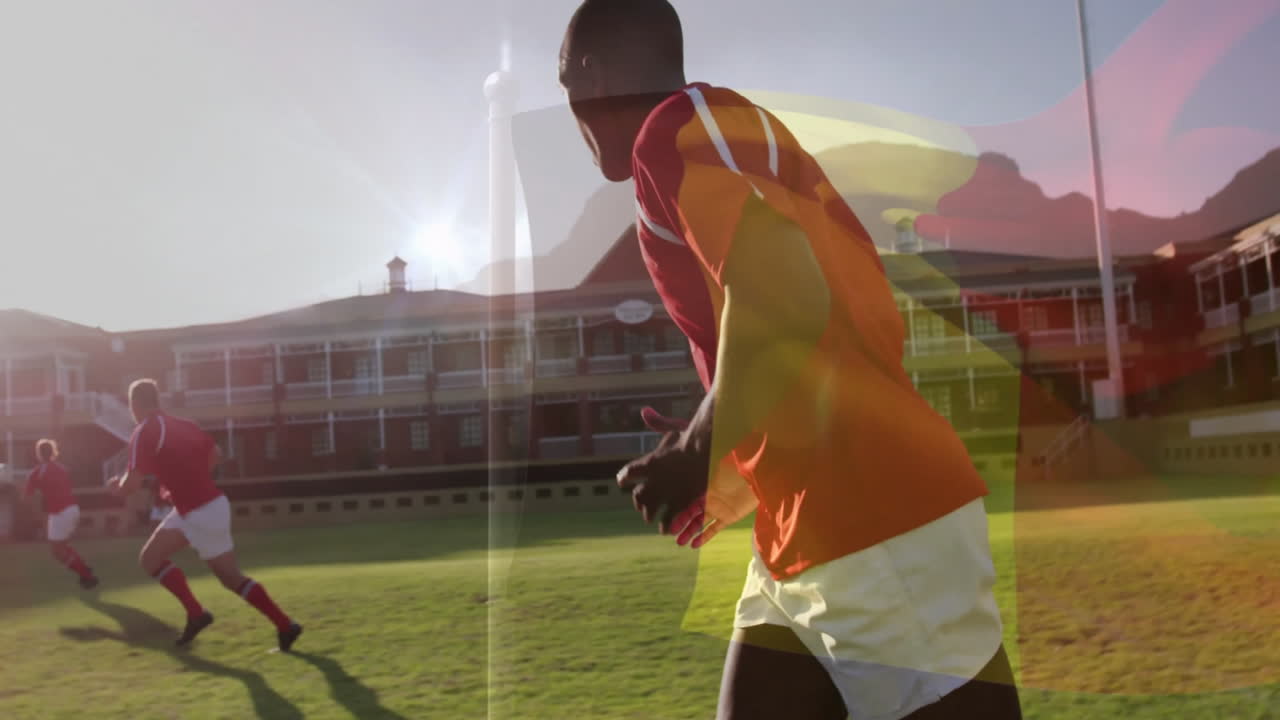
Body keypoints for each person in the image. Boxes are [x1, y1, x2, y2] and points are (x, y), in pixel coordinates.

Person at [559, 2, 1024, 718]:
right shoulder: (720, 137)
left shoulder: (676, 129)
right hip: (803, 523)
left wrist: (700, 440)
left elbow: (784, 293)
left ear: (590, 76)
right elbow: (810, 330)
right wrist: (735, 455)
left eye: (565, 87)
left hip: (871, 514)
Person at [107, 378, 302, 651]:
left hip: (200, 511)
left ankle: (285, 625)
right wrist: (190, 476)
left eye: (130, 405)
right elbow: (217, 454)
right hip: (196, 508)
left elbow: (133, 484)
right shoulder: (184, 424)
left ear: (135, 404)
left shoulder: (143, 431)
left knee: (231, 578)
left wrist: (116, 488)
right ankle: (197, 614)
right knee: (150, 558)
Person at [24, 439, 99, 590]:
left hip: (59, 512)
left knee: (57, 551)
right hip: (72, 509)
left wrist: (34, 514)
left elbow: (28, 496)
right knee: (62, 546)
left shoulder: (37, 472)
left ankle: (87, 576)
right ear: (53, 451)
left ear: (38, 454)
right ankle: (83, 568)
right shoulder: (63, 468)